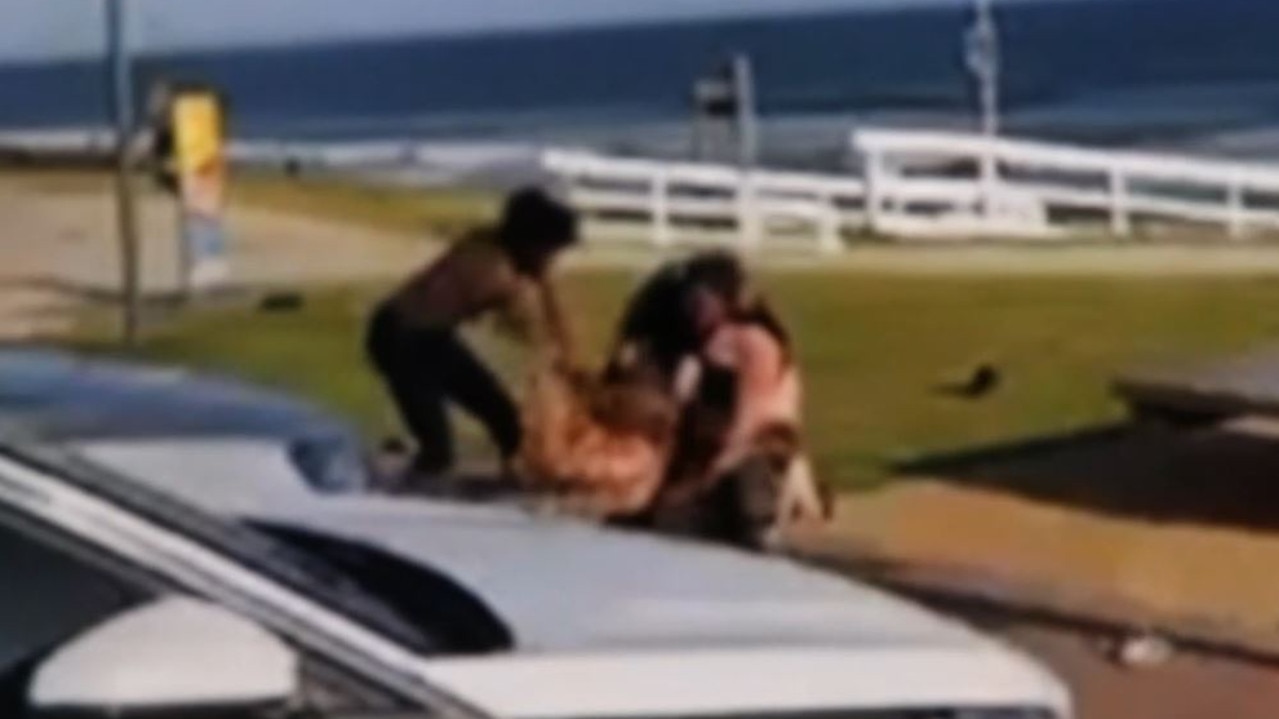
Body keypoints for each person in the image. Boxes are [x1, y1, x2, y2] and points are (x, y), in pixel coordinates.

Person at [612, 251, 830, 549]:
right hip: (705, 460)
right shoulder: (701, 344)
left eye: (701, 300)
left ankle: (756, 530)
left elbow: (751, 426)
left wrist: (703, 483)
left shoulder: (753, 343)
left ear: (723, 299)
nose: (693, 308)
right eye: (690, 300)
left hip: (744, 464)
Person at [366, 188, 579, 484]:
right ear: (530, 243)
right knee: (438, 450)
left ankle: (514, 475)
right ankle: (399, 497)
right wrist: (566, 368)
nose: (554, 258)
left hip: (432, 338)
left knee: (506, 422)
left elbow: (549, 314)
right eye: (550, 250)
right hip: (400, 339)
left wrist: (566, 346)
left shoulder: (495, 245)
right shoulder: (492, 271)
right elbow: (529, 332)